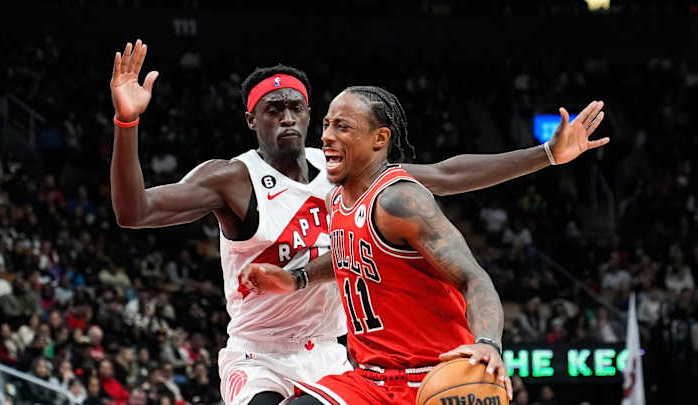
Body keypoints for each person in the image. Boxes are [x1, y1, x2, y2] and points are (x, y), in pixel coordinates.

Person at [109, 40, 606, 405]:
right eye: (273, 109)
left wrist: (546, 154)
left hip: (334, 352)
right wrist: (127, 122)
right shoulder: (232, 178)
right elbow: (134, 213)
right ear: (251, 120)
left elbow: (448, 174)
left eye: (297, 108)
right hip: (262, 353)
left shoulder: (347, 176)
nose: (288, 118)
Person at [240, 86, 608, 404]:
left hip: (434, 376)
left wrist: (488, 343)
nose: (326, 136)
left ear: (379, 139)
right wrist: (298, 278)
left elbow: (474, 277)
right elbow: (349, 254)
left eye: (342, 126)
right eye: (326, 125)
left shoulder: (398, 199)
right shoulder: (336, 199)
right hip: (369, 380)